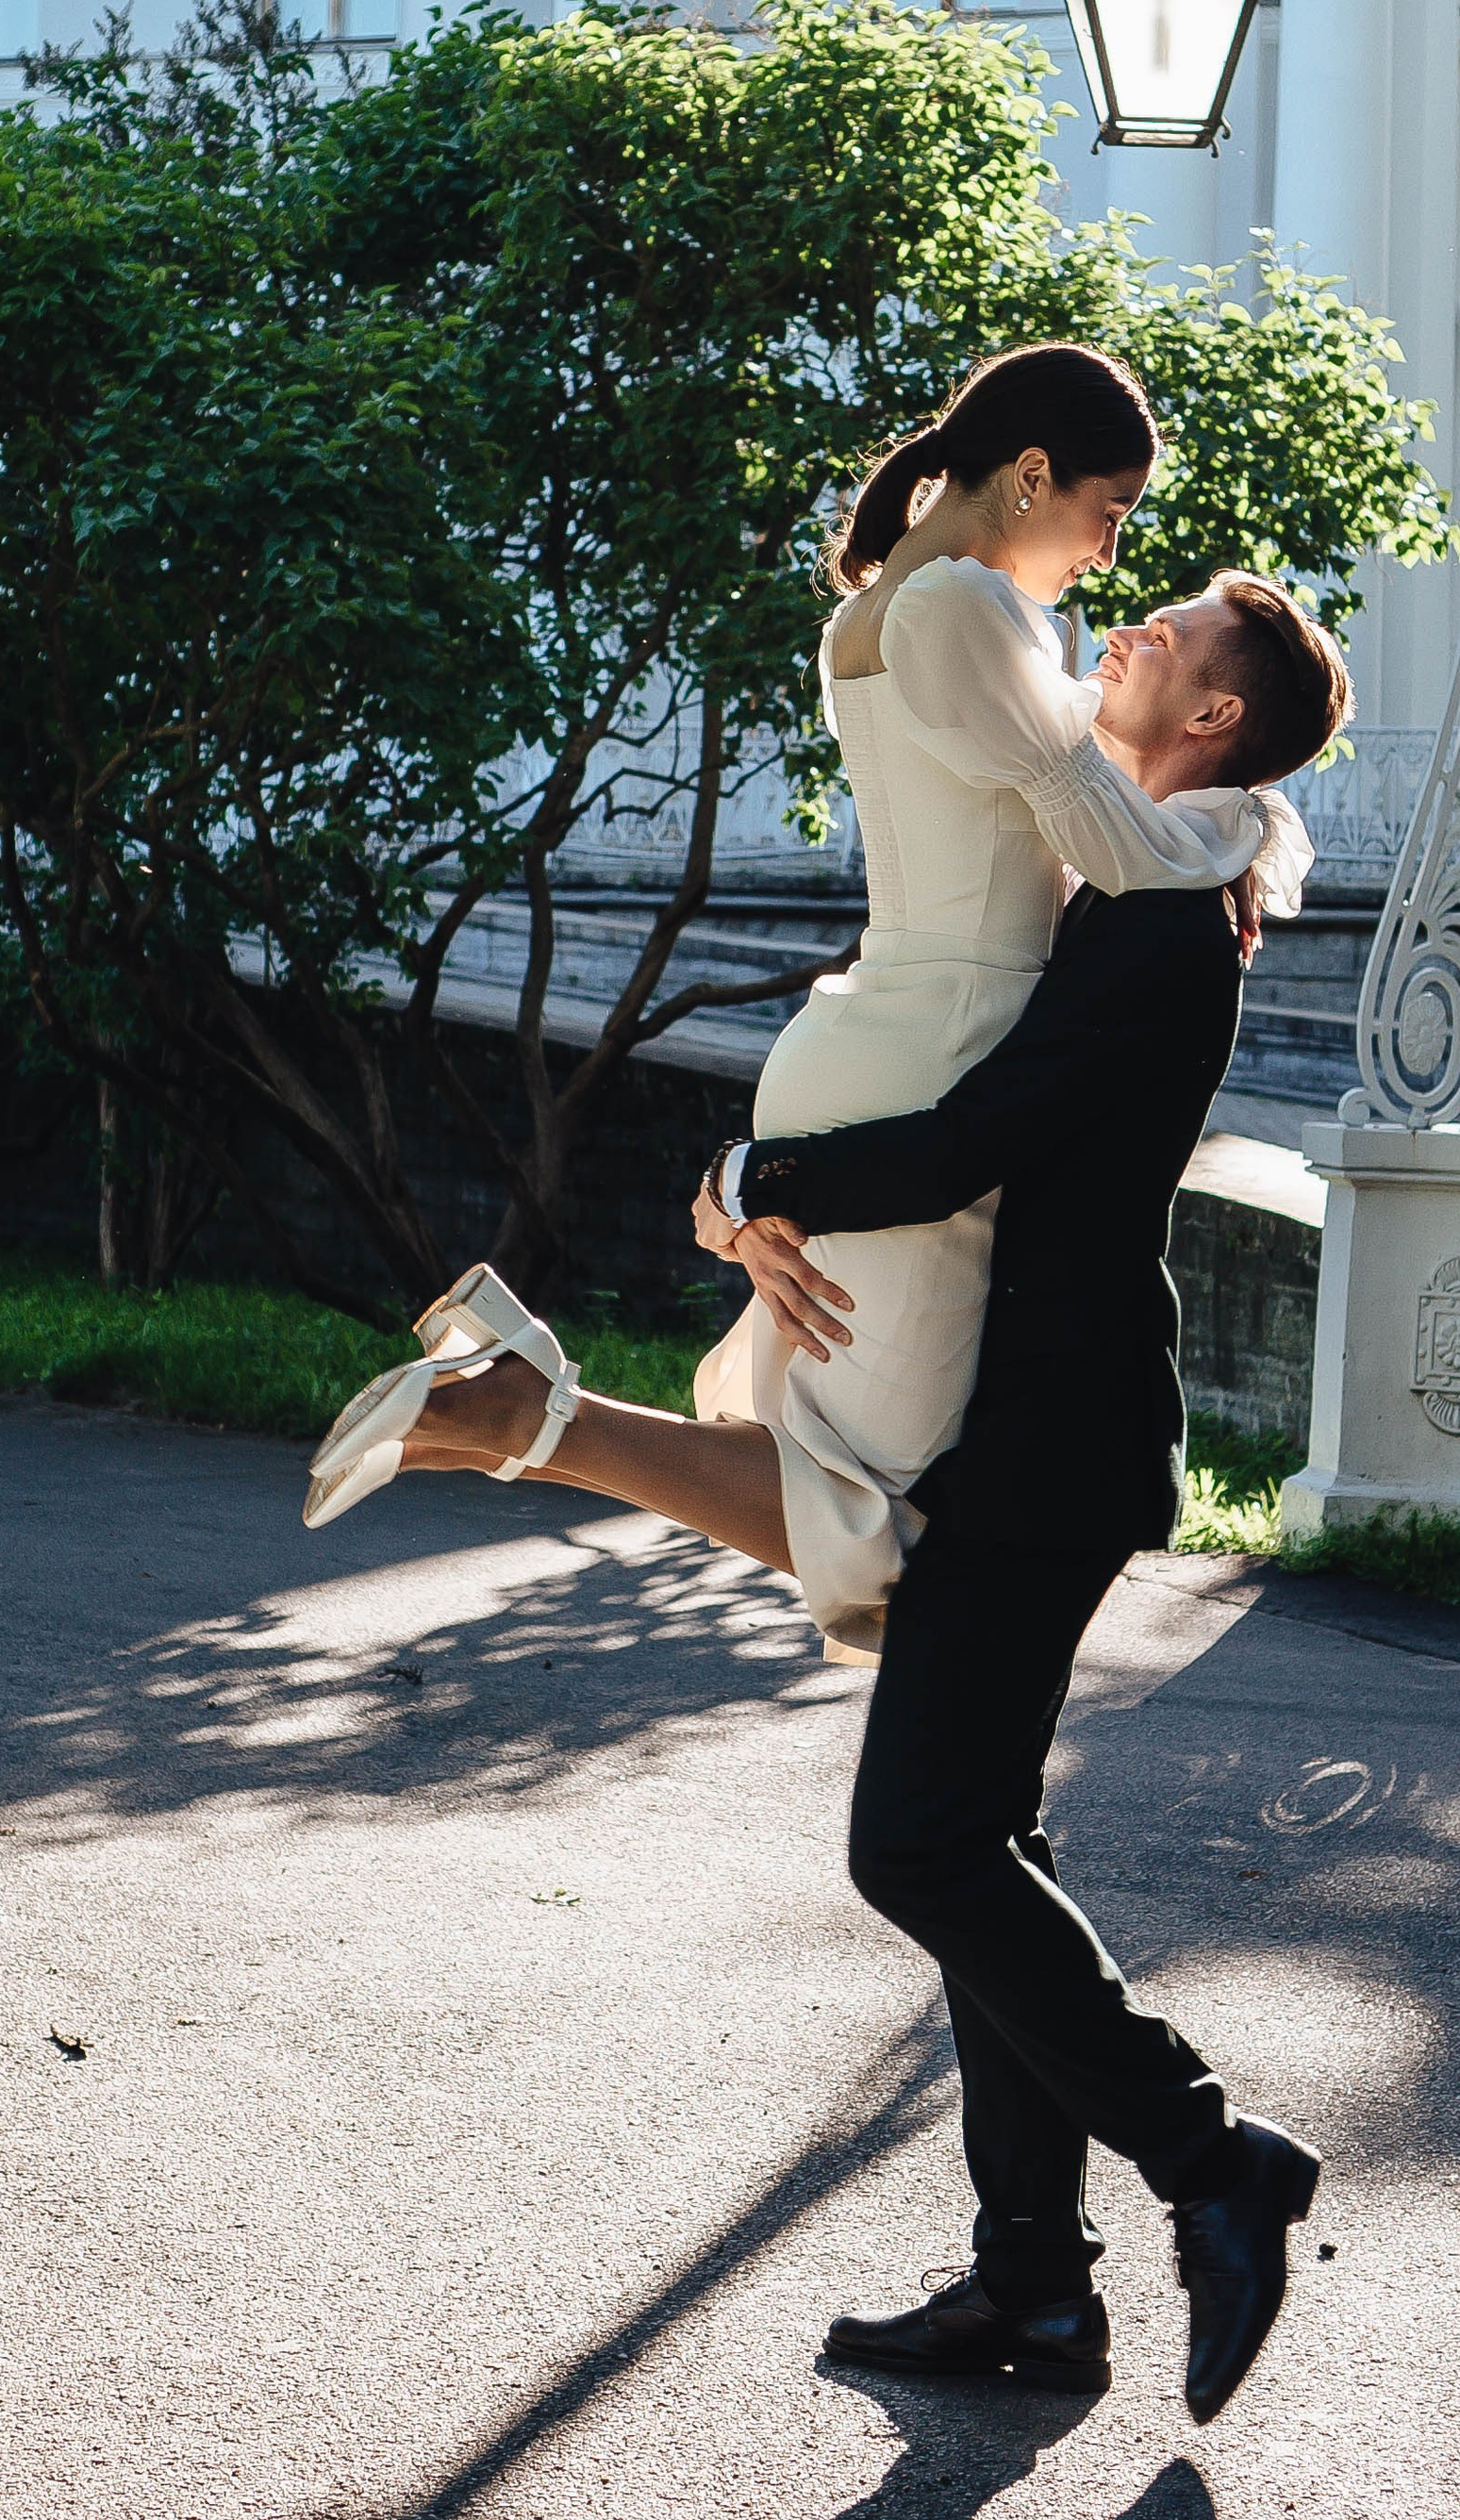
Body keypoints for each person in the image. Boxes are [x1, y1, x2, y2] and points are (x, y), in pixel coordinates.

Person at [298, 544, 1355, 2423]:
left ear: (1207, 722)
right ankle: (1033, 2292)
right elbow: (921, 1048)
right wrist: (749, 1181)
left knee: (921, 1850)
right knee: (982, 1858)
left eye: (1171, 627)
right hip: (1010, 1438)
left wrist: (768, 1196)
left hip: (1050, 1452)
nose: (1133, 625)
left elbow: (984, 1134)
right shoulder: (1105, 881)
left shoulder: (1158, 926)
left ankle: (1212, 2164)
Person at [307, 344, 1309, 1675]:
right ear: (1029, 475)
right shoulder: (980, 614)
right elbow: (1122, 843)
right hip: (937, 1056)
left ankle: (518, 1409)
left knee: (833, 1463)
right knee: (885, 1512)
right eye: (1109, 514)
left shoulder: (893, 613)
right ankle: (518, 1414)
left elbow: (1096, 774)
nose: (1111, 559)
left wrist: (1248, 815)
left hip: (877, 1036)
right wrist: (1244, 831)